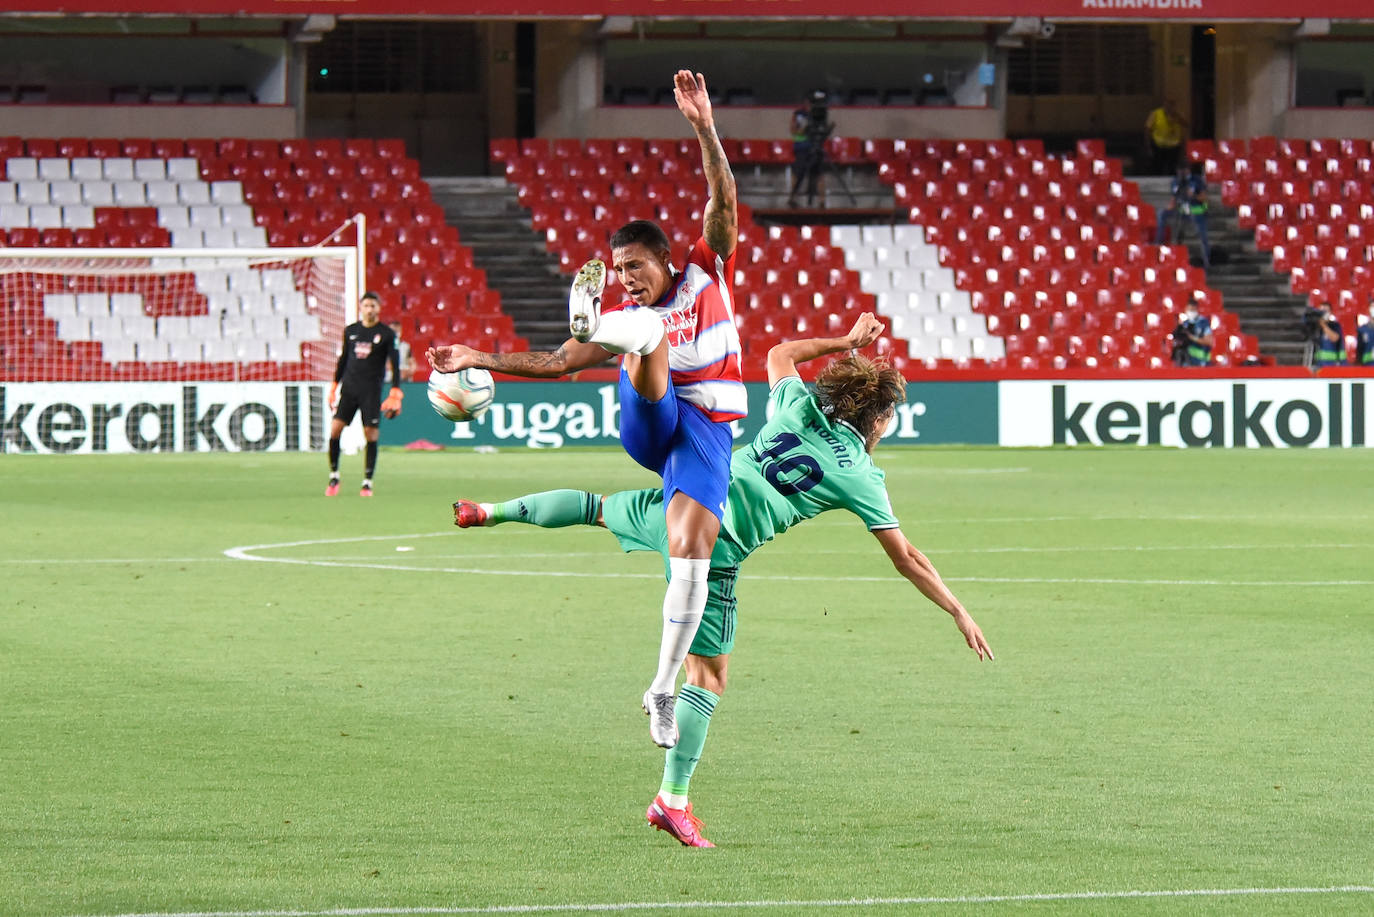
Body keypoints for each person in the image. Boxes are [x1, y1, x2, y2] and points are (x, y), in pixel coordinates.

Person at [448, 314, 993, 848]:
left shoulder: (797, 407)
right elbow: (908, 558)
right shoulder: (862, 476)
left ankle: (491, 511)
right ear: (877, 418)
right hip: (715, 552)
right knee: (707, 679)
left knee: (597, 507)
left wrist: (843, 341)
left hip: (681, 504)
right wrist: (957, 609)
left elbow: (779, 354)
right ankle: (673, 801)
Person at [427, 69, 741, 750]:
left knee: (692, 553)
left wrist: (703, 127)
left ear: (664, 256)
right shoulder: (636, 313)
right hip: (650, 417)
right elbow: (555, 364)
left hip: (707, 436)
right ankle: (598, 327)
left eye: (634, 266)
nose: (628, 277)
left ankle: (659, 686)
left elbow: (723, 199)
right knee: (644, 333)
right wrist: (479, 355)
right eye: (618, 269)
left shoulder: (707, 272)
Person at [327, 291, 403, 497]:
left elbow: (395, 364)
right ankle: (334, 476)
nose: (370, 309)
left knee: (370, 434)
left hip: (371, 391)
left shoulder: (387, 334)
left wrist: (396, 390)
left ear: (378, 308)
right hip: (349, 388)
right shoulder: (351, 331)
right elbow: (343, 360)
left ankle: (367, 481)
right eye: (366, 305)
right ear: (361, 307)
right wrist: (334, 386)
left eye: (373, 306)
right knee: (335, 430)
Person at [1154, 162, 1210, 269]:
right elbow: (1174, 199)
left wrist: (1193, 195)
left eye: (1183, 170)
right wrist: (1168, 208)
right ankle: (1158, 244)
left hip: (1197, 211)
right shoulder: (1176, 181)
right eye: (1179, 170)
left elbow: (1204, 198)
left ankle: (1207, 259)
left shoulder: (1197, 180)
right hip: (1181, 211)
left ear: (1188, 170)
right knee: (1161, 214)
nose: (1181, 173)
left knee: (1202, 235)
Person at [787, 90, 834, 208]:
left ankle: (822, 201)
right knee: (799, 173)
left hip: (815, 147)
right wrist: (804, 128)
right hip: (802, 148)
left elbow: (822, 130)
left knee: (819, 174)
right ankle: (793, 198)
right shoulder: (799, 114)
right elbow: (794, 131)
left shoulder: (820, 114)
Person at [1144, 99, 1187, 176]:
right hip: (1159, 146)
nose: (1170, 108)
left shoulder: (1177, 115)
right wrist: (1148, 146)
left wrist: (1177, 116)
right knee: (1158, 168)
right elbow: (1147, 129)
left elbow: (1186, 124)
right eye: (1168, 105)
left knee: (1172, 168)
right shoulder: (1156, 114)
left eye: (1172, 105)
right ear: (1164, 105)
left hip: (1174, 146)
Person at [1170, 298, 1214, 367]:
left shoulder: (1203, 323)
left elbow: (1209, 341)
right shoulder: (1185, 324)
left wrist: (1191, 337)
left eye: (1193, 310)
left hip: (1201, 361)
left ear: (1197, 309)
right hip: (1186, 360)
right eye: (1189, 310)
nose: (1191, 312)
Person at [1308, 303, 1346, 368]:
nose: (1323, 313)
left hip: (1332, 365)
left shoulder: (1335, 325)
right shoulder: (1315, 327)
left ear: (1330, 312)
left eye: (1326, 311)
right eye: (1321, 311)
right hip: (1318, 364)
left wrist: (1323, 325)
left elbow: (1335, 338)